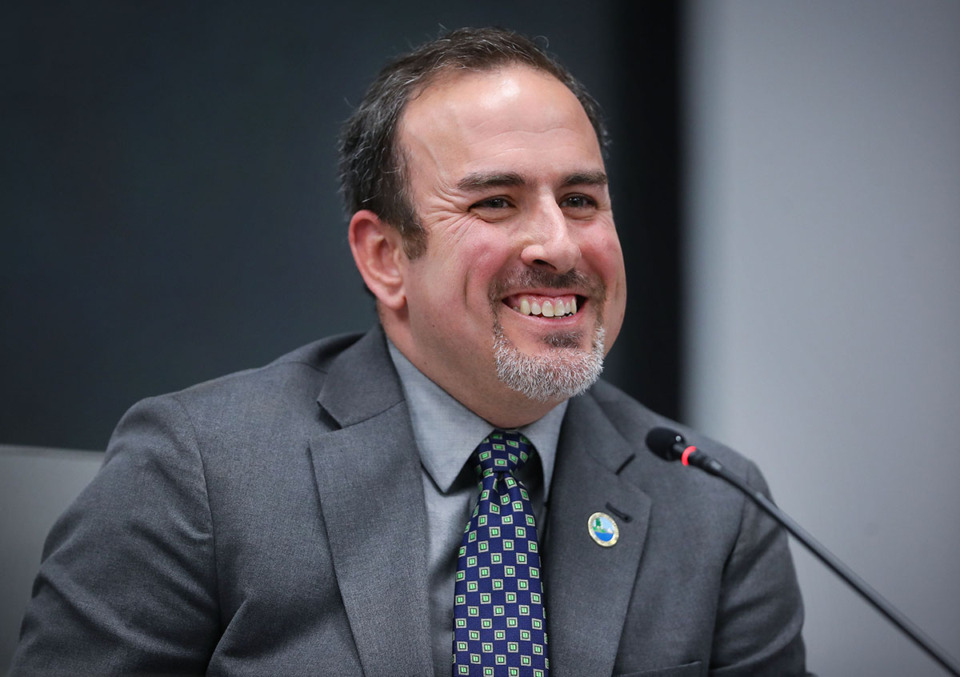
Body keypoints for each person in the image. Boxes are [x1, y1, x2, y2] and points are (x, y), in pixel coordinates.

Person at [12, 27, 807, 676]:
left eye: (580, 199)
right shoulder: (199, 472)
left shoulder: (714, 507)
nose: (559, 244)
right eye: (496, 201)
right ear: (386, 256)